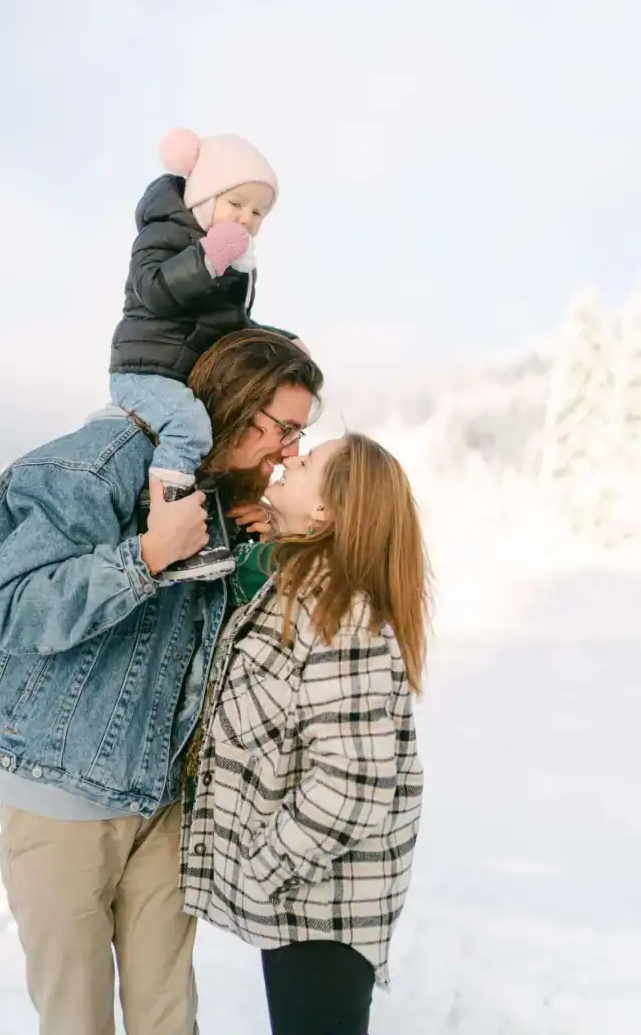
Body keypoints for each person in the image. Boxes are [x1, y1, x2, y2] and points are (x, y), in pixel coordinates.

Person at [0, 328, 323, 1035]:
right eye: (286, 429)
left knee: (168, 1016)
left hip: (163, 800)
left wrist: (266, 544)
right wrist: (145, 556)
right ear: (237, 405)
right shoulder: (94, 468)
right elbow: (15, 607)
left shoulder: (213, 494)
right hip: (62, 800)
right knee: (77, 1019)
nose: (291, 452)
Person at [181, 434, 431, 1035]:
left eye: (308, 461)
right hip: (307, 911)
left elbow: (353, 784)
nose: (289, 458)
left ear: (327, 511)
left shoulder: (341, 614)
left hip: (321, 914)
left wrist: (265, 869)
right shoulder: (305, 585)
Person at [110, 126, 299, 583]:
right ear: (203, 197)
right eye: (236, 204)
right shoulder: (167, 235)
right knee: (188, 427)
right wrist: (206, 258)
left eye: (259, 212)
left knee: (212, 433)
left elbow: (231, 329)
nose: (248, 219)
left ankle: (207, 534)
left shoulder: (234, 261)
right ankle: (170, 534)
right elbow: (154, 291)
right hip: (145, 370)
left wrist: (283, 343)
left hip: (185, 377)